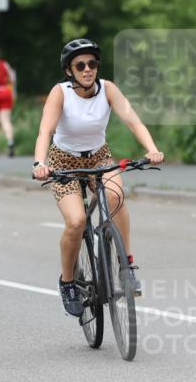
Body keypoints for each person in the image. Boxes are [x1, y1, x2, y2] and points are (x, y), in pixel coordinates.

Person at [32, 39, 164, 317]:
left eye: (92, 64)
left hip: (99, 157)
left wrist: (152, 150)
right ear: (69, 71)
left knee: (116, 196)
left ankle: (126, 267)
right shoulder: (61, 93)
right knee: (77, 221)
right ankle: (68, 282)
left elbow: (133, 121)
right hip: (62, 162)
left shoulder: (108, 89)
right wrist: (40, 162)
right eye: (80, 65)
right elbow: (45, 131)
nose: (88, 69)